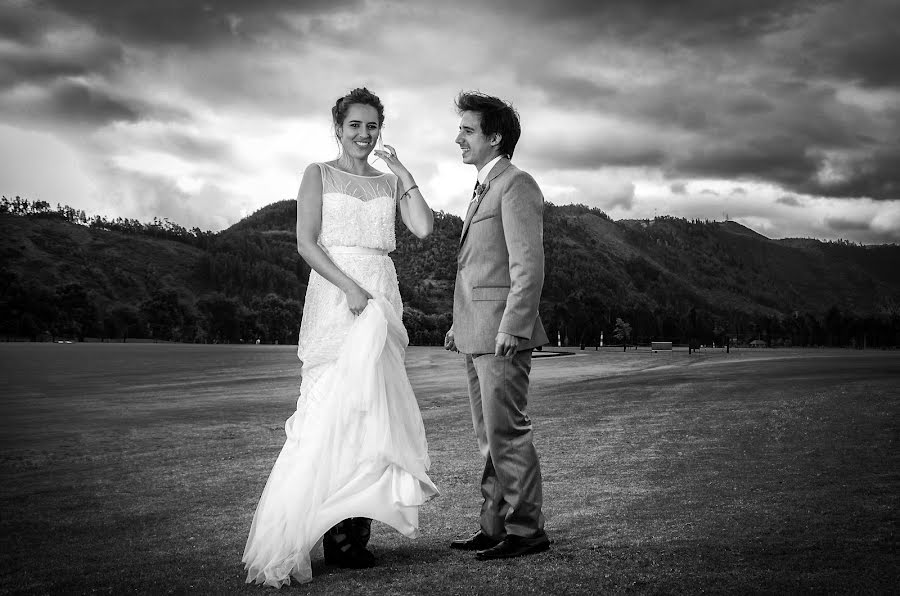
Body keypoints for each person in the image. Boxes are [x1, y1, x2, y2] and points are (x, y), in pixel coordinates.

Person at [242, 87, 439, 587]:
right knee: (330, 407)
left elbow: (422, 228)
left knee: (371, 411)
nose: (364, 135)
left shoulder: (388, 182)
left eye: (372, 126)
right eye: (355, 125)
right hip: (336, 293)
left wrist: (405, 175)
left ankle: (351, 536)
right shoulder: (318, 174)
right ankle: (313, 526)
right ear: (338, 127)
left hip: (381, 293)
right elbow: (306, 242)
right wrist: (350, 287)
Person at [444, 91, 550, 560]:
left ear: (495, 137)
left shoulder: (517, 184)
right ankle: (494, 526)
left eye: (467, 130)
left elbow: (528, 265)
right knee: (490, 435)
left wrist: (514, 325)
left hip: (503, 333)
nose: (458, 138)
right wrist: (457, 323)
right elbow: (480, 267)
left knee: (507, 432)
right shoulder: (483, 187)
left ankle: (527, 531)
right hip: (476, 330)